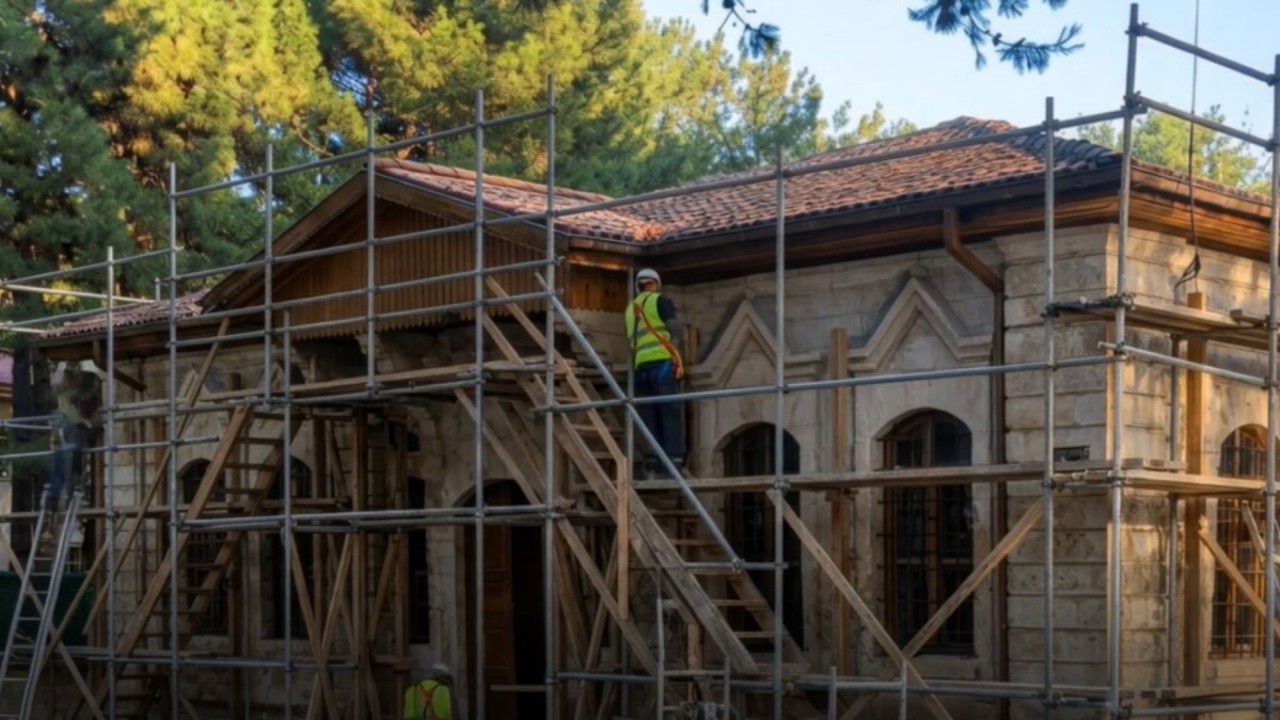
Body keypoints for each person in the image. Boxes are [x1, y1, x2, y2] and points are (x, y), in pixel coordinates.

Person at [623, 268, 687, 479]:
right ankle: (674, 460)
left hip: (641, 367)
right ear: (656, 284)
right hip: (661, 363)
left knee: (649, 413)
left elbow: (632, 342)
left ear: (637, 287)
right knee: (668, 411)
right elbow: (675, 331)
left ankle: (652, 460)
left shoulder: (630, 310)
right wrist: (676, 356)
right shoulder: (660, 301)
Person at [44, 360, 104, 514]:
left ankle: (63, 498)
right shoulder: (66, 387)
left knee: (69, 465)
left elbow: (83, 402)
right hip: (71, 429)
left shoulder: (86, 380)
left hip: (75, 429)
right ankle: (61, 499)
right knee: (68, 466)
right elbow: (70, 399)